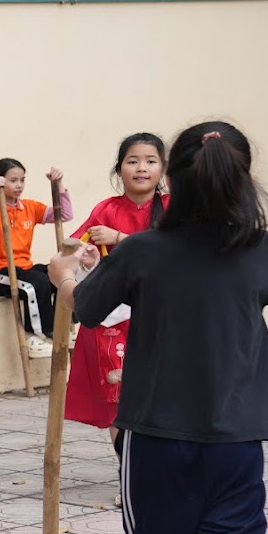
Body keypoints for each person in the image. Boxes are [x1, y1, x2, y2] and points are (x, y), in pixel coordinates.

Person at [50, 120, 268, 534]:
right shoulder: (261, 252)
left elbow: (88, 308)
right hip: (236, 447)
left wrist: (64, 274)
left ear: (172, 179)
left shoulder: (145, 250)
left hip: (155, 444)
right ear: (242, 181)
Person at [64, 133, 169, 454]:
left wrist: (120, 237)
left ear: (163, 169)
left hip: (165, 315)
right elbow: (77, 246)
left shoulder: (174, 209)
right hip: (115, 320)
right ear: (119, 168)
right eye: (133, 161)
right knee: (117, 398)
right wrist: (87, 257)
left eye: (150, 161)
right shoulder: (106, 209)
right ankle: (127, 464)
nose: (141, 168)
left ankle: (157, 463)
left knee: (163, 395)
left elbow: (172, 253)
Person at [0, 159, 73, 357]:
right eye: (13, 180)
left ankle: (62, 327)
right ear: (0, 181)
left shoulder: (29, 207)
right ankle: (34, 335)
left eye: (22, 180)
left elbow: (64, 214)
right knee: (36, 283)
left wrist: (59, 184)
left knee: (60, 273)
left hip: (24, 267)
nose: (19, 185)